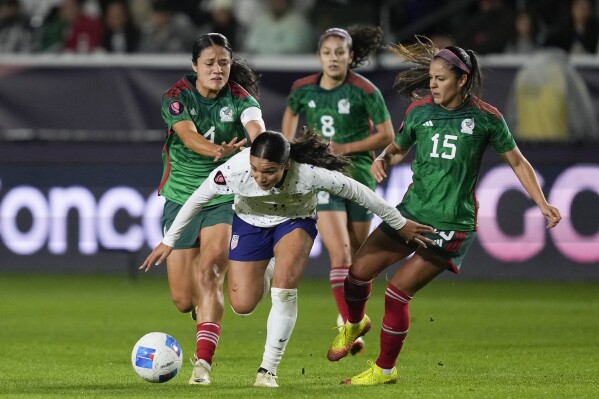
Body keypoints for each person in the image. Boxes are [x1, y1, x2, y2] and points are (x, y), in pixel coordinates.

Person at [326, 36, 562, 385]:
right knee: (357, 273)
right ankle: (356, 323)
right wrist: (384, 159)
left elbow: (517, 161)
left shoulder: (486, 119)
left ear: (462, 80)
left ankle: (384, 371)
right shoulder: (419, 111)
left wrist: (541, 202)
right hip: (409, 214)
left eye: (440, 78)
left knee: (396, 293)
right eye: (431, 77)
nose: (432, 84)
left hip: (450, 226)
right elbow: (397, 148)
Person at [140, 129, 436, 388]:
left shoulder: (308, 173)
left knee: (284, 291)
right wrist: (169, 241)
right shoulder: (234, 170)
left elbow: (361, 193)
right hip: (249, 224)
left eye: (268, 171)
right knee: (242, 305)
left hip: (294, 222)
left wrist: (399, 223)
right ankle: (270, 265)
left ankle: (267, 370)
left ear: (286, 165)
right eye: (255, 169)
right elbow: (197, 200)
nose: (259, 177)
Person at [154, 32, 265, 386]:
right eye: (210, 63)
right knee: (184, 299)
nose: (217, 69)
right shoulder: (176, 97)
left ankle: (202, 365)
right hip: (182, 197)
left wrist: (260, 144)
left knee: (211, 270)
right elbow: (187, 137)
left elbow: (256, 128)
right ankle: (201, 313)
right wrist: (214, 150)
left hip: (222, 195)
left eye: (223, 63)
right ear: (194, 67)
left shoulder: (241, 98)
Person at [281, 25, 394, 354]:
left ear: (350, 56)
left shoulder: (364, 90)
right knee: (340, 254)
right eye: (327, 53)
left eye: (340, 53)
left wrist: (347, 147)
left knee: (360, 259)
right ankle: (350, 328)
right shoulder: (303, 88)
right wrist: (290, 147)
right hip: (322, 175)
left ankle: (349, 315)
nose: (333, 58)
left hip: (358, 175)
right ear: (319, 56)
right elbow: (290, 111)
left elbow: (386, 134)